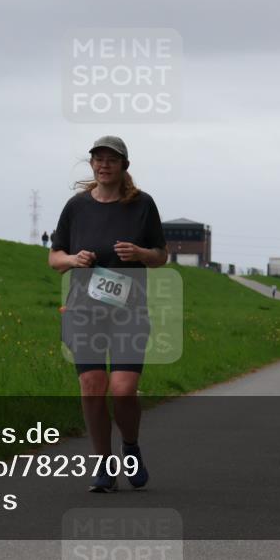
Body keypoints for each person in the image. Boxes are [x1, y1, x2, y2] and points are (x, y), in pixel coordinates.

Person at [49, 136, 168, 492]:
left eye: (111, 160)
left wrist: (141, 254)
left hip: (128, 310)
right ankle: (102, 464)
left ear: (124, 167)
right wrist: (74, 259)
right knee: (91, 387)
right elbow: (54, 258)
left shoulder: (142, 205)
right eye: (98, 159)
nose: (104, 165)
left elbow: (162, 256)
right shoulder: (76, 207)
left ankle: (129, 447)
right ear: (92, 166)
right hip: (84, 309)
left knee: (123, 390)